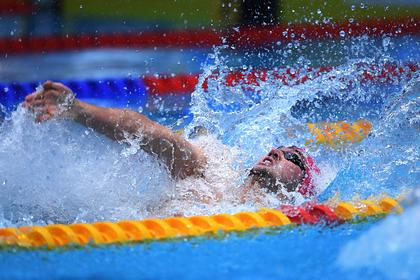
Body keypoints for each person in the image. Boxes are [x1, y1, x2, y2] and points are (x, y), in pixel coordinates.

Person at [23, 81, 320, 204]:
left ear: (302, 187)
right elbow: (156, 136)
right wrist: (79, 110)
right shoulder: (215, 177)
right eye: (276, 148)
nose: (275, 152)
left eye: (291, 157)